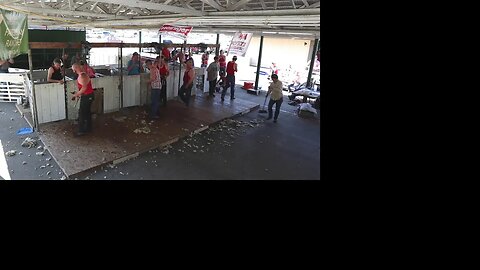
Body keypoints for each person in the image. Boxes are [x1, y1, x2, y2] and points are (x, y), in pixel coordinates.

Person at [71, 63, 95, 136]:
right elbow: (83, 88)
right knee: (87, 112)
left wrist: (76, 94)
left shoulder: (82, 76)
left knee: (82, 113)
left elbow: (84, 88)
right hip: (87, 95)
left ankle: (81, 131)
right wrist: (79, 94)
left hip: (87, 96)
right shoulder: (82, 75)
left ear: (75, 69)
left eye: (73, 70)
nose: (73, 71)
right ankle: (88, 128)